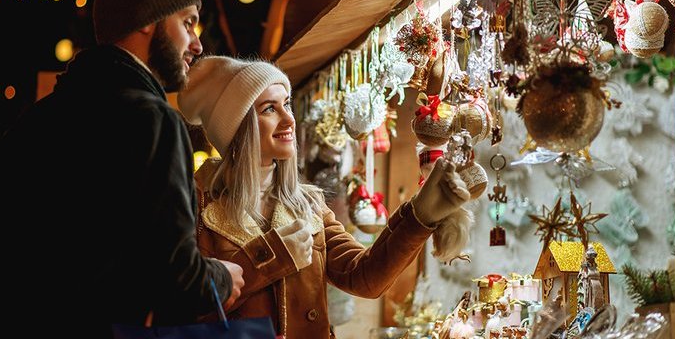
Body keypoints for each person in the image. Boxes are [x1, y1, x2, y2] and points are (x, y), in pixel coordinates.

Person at [0, 0, 243, 338]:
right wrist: (222, 278)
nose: (197, 44)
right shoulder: (152, 119)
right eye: (187, 22)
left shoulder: (27, 127)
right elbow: (177, 277)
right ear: (149, 19)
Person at [177, 56, 471, 338]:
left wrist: (419, 217)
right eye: (269, 109)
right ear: (238, 129)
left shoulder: (308, 204)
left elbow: (364, 276)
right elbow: (185, 308)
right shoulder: (195, 206)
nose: (288, 119)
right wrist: (271, 257)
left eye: (287, 105)